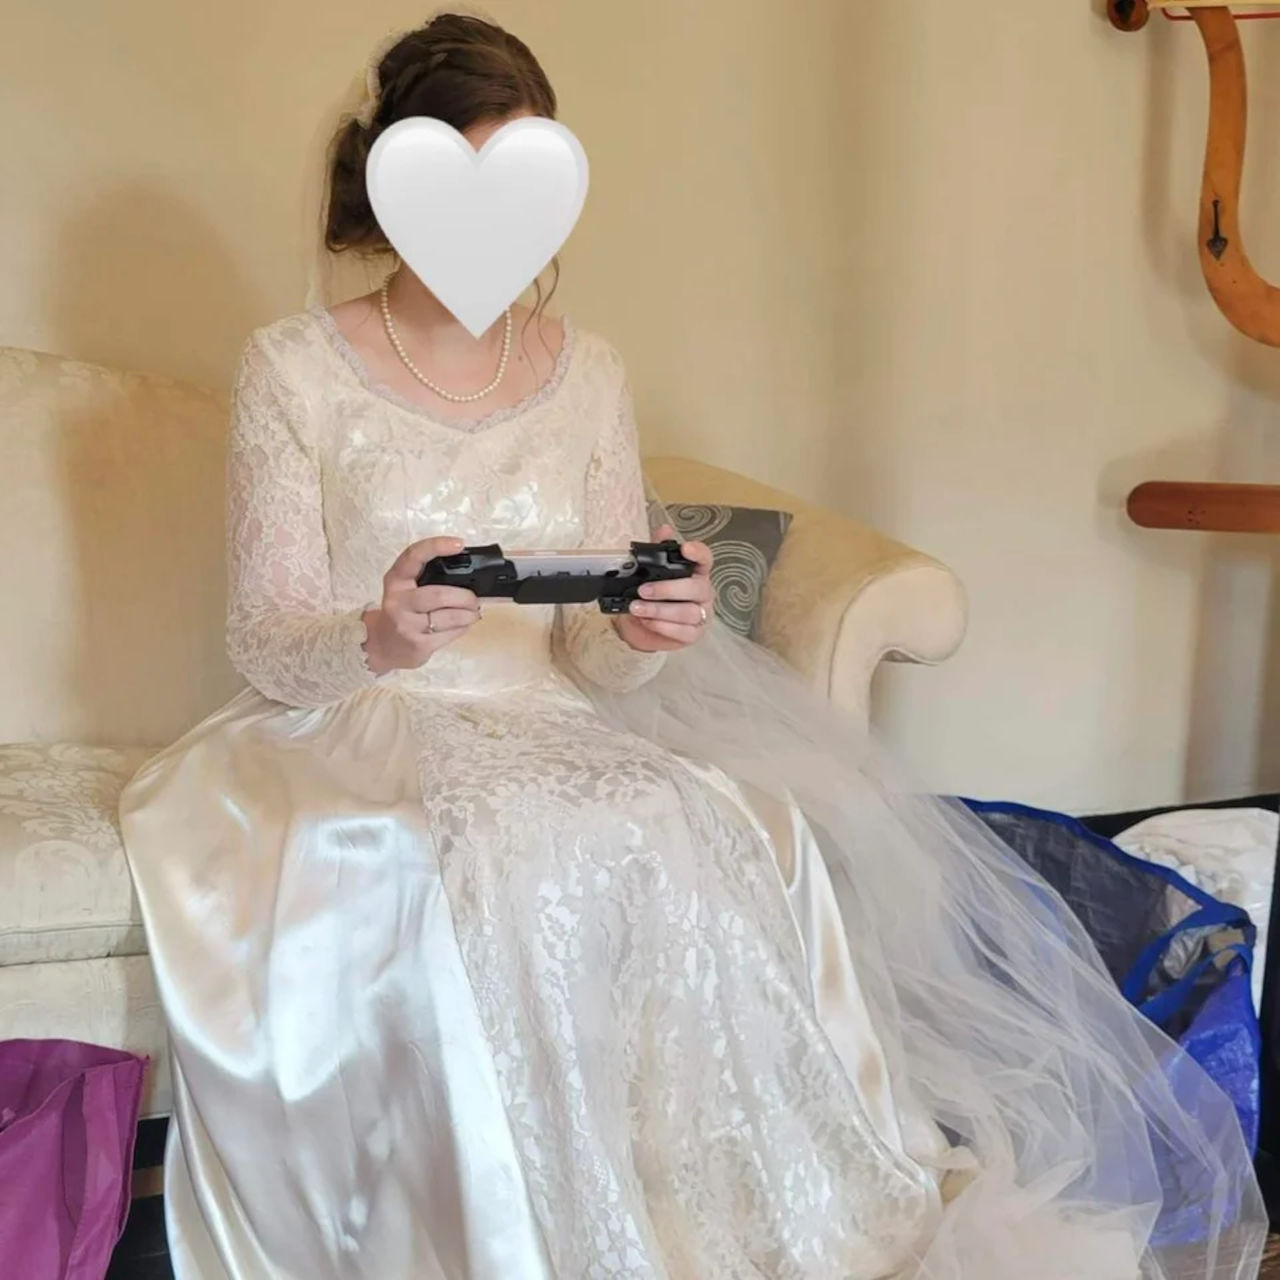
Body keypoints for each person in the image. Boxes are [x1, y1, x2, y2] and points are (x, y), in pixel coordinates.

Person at [119, 13, 1267, 1279]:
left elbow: (595, 653)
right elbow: (266, 639)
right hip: (352, 718)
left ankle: (703, 1219)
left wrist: (645, 626)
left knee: (707, 817)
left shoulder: (586, 371)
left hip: (543, 715)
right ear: (391, 182)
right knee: (495, 846)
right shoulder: (292, 368)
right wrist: (378, 632)